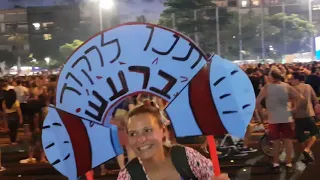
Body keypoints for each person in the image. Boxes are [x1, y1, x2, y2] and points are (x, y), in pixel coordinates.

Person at [117, 100, 229, 180]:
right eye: (133, 133)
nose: (140, 139)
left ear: (163, 131)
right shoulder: (128, 176)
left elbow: (213, 175)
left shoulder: (186, 157)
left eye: (147, 130)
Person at [256, 67, 303, 172]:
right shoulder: (286, 86)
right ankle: (289, 163)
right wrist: (294, 109)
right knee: (288, 141)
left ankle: (276, 163)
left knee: (276, 142)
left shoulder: (267, 87)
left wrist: (263, 113)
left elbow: (257, 101)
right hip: (287, 116)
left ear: (272, 77)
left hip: (273, 118)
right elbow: (299, 96)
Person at [290, 72, 319, 162]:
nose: (290, 81)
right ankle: (307, 149)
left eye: (292, 79)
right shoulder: (308, 87)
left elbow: (290, 103)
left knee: (300, 138)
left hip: (298, 116)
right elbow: (315, 99)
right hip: (309, 114)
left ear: (297, 79)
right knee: (315, 133)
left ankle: (305, 152)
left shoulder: (292, 89)